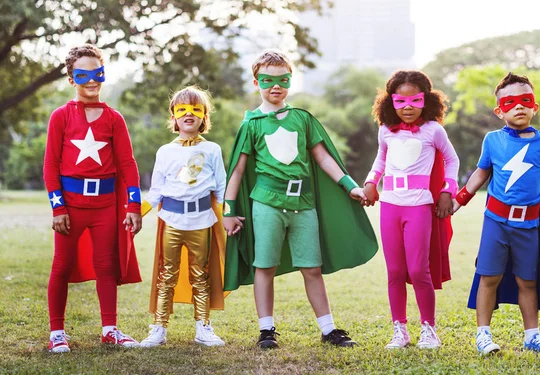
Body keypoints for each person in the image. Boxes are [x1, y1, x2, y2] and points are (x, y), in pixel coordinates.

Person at [222, 49, 378, 349]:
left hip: (303, 203)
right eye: (267, 80)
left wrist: (351, 187)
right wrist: (228, 210)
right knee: (264, 266)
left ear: (291, 81)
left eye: (283, 79)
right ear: (256, 83)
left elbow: (324, 158)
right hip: (266, 202)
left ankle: (328, 328)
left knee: (312, 268)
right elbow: (237, 171)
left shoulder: (303, 119)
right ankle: (266, 330)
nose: (275, 86)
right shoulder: (251, 124)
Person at [453, 72, 540, 356]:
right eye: (510, 102)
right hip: (496, 221)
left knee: (527, 281)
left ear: (534, 107)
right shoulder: (492, 140)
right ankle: (483, 335)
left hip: (530, 223)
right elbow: (481, 172)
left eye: (525, 100)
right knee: (488, 276)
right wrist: (458, 200)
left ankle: (532, 336)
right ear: (499, 110)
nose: (519, 107)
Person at [43, 44, 142, 353]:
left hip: (105, 206)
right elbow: (50, 165)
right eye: (82, 74)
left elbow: (128, 164)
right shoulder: (61, 116)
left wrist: (134, 205)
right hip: (71, 205)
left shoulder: (114, 118)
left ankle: (109, 329)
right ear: (72, 78)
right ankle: (57, 332)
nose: (91, 80)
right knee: (61, 265)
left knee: (106, 266)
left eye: (97, 73)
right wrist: (58, 207)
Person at [363, 70, 459, 349]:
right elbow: (380, 159)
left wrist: (446, 191)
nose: (407, 107)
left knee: (419, 270)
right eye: (400, 101)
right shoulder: (385, 130)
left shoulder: (434, 130)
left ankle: (429, 329)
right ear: (389, 102)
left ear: (426, 101)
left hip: (419, 206)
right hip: (390, 205)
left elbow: (452, 161)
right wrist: (371, 182)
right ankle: (399, 330)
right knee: (394, 271)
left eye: (414, 101)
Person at [138, 86, 228, 348]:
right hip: (172, 221)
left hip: (202, 221)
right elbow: (156, 190)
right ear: (174, 117)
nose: (189, 114)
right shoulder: (165, 151)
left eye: (195, 109)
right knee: (167, 275)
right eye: (182, 109)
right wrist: (137, 211)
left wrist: (228, 217)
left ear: (204, 116)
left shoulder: (212, 149)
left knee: (201, 275)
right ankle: (159, 327)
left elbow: (220, 187)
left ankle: (203, 326)